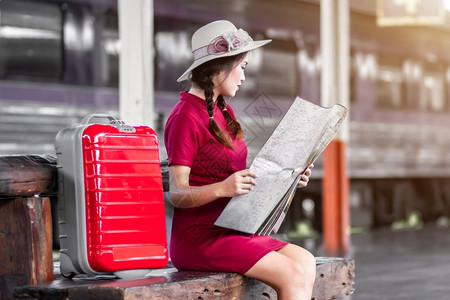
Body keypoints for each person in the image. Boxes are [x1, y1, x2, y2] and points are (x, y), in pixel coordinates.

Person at [164, 20, 316, 300]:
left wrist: (289, 177)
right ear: (219, 67)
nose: (244, 77)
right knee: (292, 274)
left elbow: (233, 174)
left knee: (306, 262)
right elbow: (177, 193)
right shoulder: (185, 116)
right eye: (242, 67)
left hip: (233, 229)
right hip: (202, 238)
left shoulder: (223, 111)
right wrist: (224, 188)